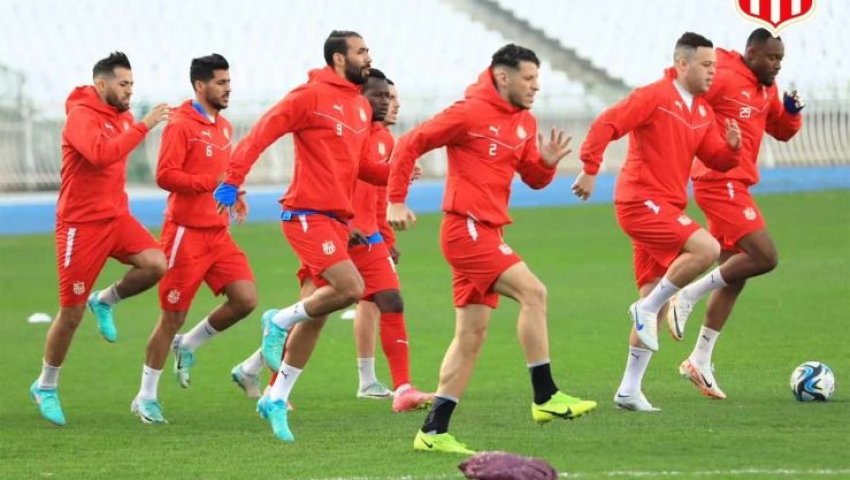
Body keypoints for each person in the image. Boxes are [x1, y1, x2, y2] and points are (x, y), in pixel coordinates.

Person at [387, 44, 596, 455]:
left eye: (538, 80)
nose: (536, 87)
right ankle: (546, 397)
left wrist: (548, 162)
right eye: (529, 79)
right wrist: (395, 199)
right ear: (503, 77)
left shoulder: (524, 121)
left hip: (488, 232)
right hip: (466, 230)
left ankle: (433, 433)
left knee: (470, 336)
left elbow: (533, 179)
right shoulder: (467, 112)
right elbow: (410, 142)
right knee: (534, 293)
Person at [213, 30, 389, 442]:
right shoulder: (308, 97)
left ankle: (277, 396)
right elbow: (260, 134)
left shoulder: (360, 108)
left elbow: (363, 166)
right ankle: (276, 319)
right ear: (338, 59)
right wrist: (232, 179)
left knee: (319, 312)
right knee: (351, 288)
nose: (369, 56)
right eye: (361, 51)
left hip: (337, 222)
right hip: (305, 215)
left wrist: (395, 170)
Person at [572, 32, 742, 412]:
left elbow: (714, 157)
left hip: (664, 207)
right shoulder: (655, 96)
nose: (712, 72)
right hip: (639, 200)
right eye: (705, 65)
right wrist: (589, 168)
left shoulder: (701, 111)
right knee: (708, 248)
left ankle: (629, 390)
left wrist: (731, 148)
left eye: (715, 65)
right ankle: (647, 308)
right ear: (682, 64)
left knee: (655, 296)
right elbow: (607, 123)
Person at [30, 52, 169, 426]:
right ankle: (46, 385)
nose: (129, 92)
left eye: (132, 85)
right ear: (102, 84)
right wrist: (143, 127)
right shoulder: (81, 117)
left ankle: (105, 300)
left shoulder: (121, 116)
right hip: (80, 227)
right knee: (70, 313)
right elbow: (100, 155)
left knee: (156, 263)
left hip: (116, 219)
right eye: (124, 85)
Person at [666, 29, 803, 399]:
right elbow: (681, 86)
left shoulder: (766, 88)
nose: (776, 65)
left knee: (734, 274)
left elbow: (781, 129)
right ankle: (687, 295)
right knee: (764, 256)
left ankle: (700, 359)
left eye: (780, 59)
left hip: (737, 183)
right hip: (717, 179)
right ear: (751, 53)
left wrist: (790, 113)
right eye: (771, 58)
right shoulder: (724, 73)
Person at [129, 54, 257, 424]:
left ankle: (189, 344)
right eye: (220, 82)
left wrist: (236, 193)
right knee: (172, 316)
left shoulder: (225, 127)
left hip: (218, 233)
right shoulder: (181, 124)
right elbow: (166, 175)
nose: (228, 87)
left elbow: (220, 175)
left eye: (229, 81)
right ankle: (145, 396)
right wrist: (211, 185)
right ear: (200, 86)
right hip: (185, 234)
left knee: (246, 298)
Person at [349, 69, 432, 411]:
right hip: (335, 231)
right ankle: (266, 377)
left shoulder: (386, 140)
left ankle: (402, 389)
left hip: (368, 236)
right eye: (385, 98)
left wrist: (384, 237)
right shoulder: (351, 133)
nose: (392, 105)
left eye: (393, 98)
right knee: (312, 312)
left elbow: (376, 196)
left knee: (390, 300)